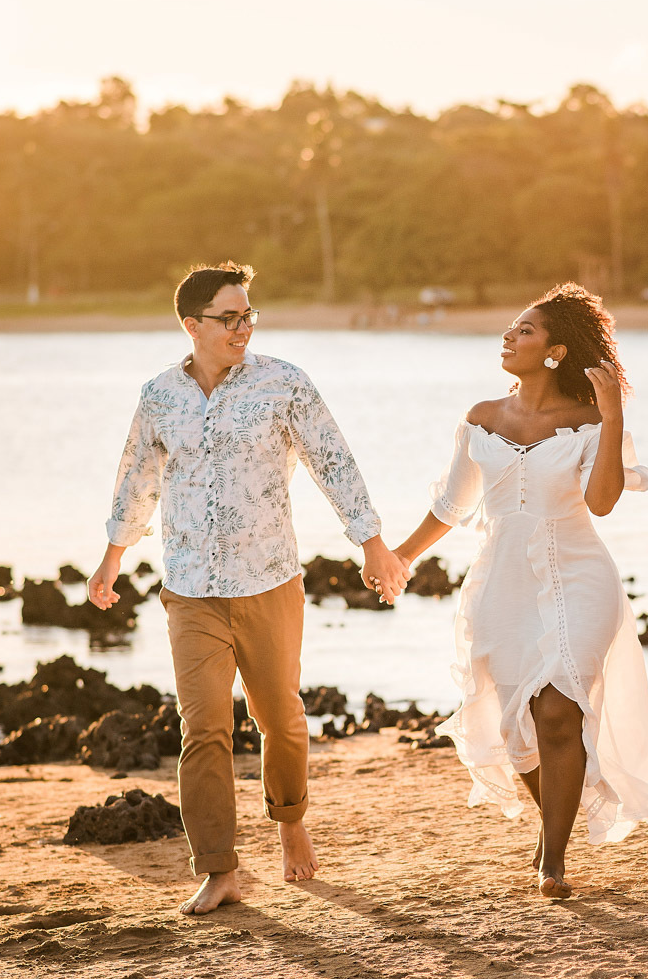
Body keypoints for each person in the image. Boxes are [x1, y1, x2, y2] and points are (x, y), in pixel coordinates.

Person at [88, 261, 408, 915]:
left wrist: (371, 542)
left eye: (248, 314)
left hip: (268, 583)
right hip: (190, 590)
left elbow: (333, 461)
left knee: (280, 719)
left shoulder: (283, 384)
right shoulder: (159, 395)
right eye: (228, 317)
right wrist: (111, 558)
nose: (243, 327)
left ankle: (290, 820)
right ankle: (219, 867)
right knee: (202, 727)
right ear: (192, 325)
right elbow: (136, 479)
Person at [389, 283, 648, 898]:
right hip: (501, 583)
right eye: (510, 328)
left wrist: (614, 416)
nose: (508, 337)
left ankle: (554, 862)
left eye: (525, 330)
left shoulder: (589, 421)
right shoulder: (482, 417)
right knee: (518, 728)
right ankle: (554, 828)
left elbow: (602, 502)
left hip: (579, 574)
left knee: (559, 710)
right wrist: (400, 557)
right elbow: (449, 506)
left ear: (556, 351)